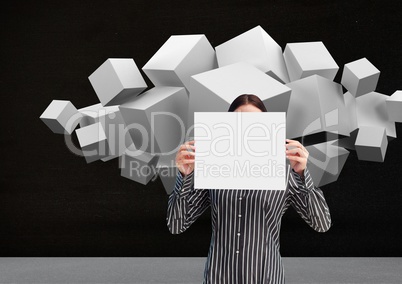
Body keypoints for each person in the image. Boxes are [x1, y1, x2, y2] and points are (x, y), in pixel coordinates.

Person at [166, 94, 331, 284]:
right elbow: (176, 225)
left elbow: (321, 224)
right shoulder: (212, 172)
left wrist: (302, 174)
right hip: (219, 278)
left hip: (266, 277)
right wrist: (184, 177)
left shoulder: (284, 175)